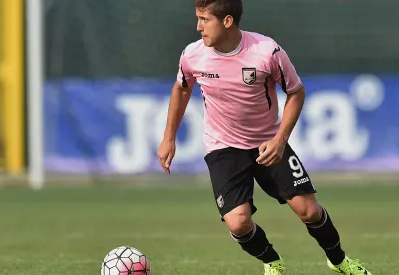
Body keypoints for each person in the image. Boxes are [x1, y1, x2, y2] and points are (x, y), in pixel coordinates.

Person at [157, 0, 373, 274]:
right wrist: (169, 137)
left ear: (227, 21)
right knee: (238, 222)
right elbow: (182, 88)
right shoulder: (192, 55)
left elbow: (296, 92)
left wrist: (281, 140)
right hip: (223, 147)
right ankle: (272, 261)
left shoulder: (266, 52)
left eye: (204, 19)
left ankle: (339, 261)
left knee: (309, 211)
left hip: (268, 142)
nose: (198, 27)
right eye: (197, 19)